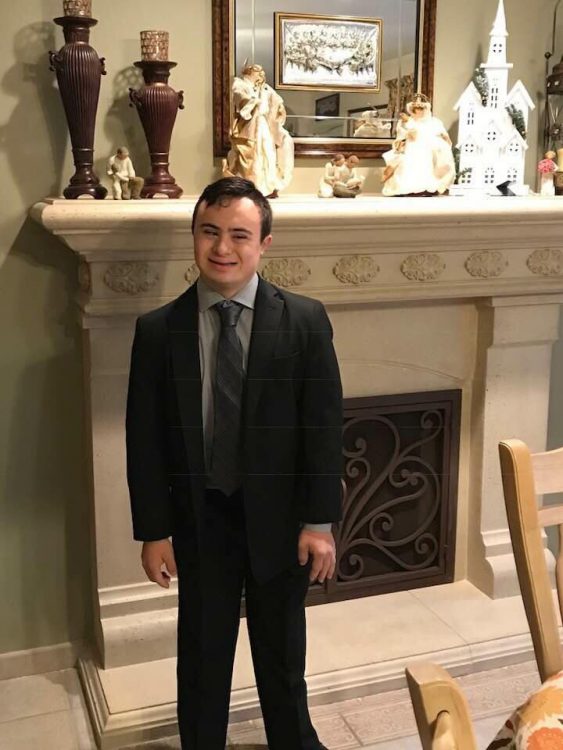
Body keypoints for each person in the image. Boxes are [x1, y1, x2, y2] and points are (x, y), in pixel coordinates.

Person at [126, 176, 342, 750]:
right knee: (202, 652)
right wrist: (153, 531)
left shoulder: (304, 322)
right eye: (210, 232)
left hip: (280, 520)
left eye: (240, 235)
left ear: (264, 243)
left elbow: (323, 430)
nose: (223, 248)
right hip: (201, 519)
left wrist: (320, 523)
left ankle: (293, 740)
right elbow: (143, 442)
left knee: (281, 649)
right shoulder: (156, 332)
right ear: (194, 236)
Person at [223, 63, 294, 197]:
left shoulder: (265, 88)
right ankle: (250, 184)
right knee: (252, 152)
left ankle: (266, 184)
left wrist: (279, 106)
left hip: (262, 124)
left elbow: (276, 99)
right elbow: (239, 97)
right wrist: (254, 101)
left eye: (262, 72)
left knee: (267, 151)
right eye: (258, 72)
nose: (261, 74)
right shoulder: (240, 83)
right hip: (250, 124)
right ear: (250, 72)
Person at [381, 94, 455, 196]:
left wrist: (441, 140)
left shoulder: (434, 122)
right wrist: (403, 139)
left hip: (427, 151)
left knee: (426, 164)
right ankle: (408, 188)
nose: (418, 111)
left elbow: (443, 138)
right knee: (407, 165)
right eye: (415, 108)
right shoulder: (405, 122)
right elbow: (400, 136)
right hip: (410, 150)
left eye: (421, 108)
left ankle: (427, 188)